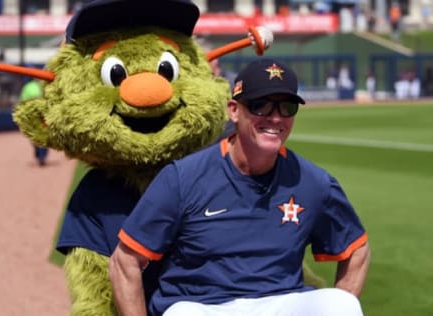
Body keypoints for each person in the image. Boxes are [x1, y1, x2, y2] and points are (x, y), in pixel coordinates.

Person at [109, 59, 370, 316]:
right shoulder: (183, 177)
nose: (276, 118)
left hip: (278, 302)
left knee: (340, 304)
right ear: (234, 110)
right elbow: (124, 260)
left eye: (287, 107)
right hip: (203, 306)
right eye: (261, 106)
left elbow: (356, 248)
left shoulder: (313, 182)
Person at [19, 77, 49, 166]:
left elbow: (22, 102)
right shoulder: (41, 86)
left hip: (32, 114)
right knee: (44, 135)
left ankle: (40, 153)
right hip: (40, 114)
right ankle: (41, 154)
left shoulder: (27, 87)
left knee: (36, 135)